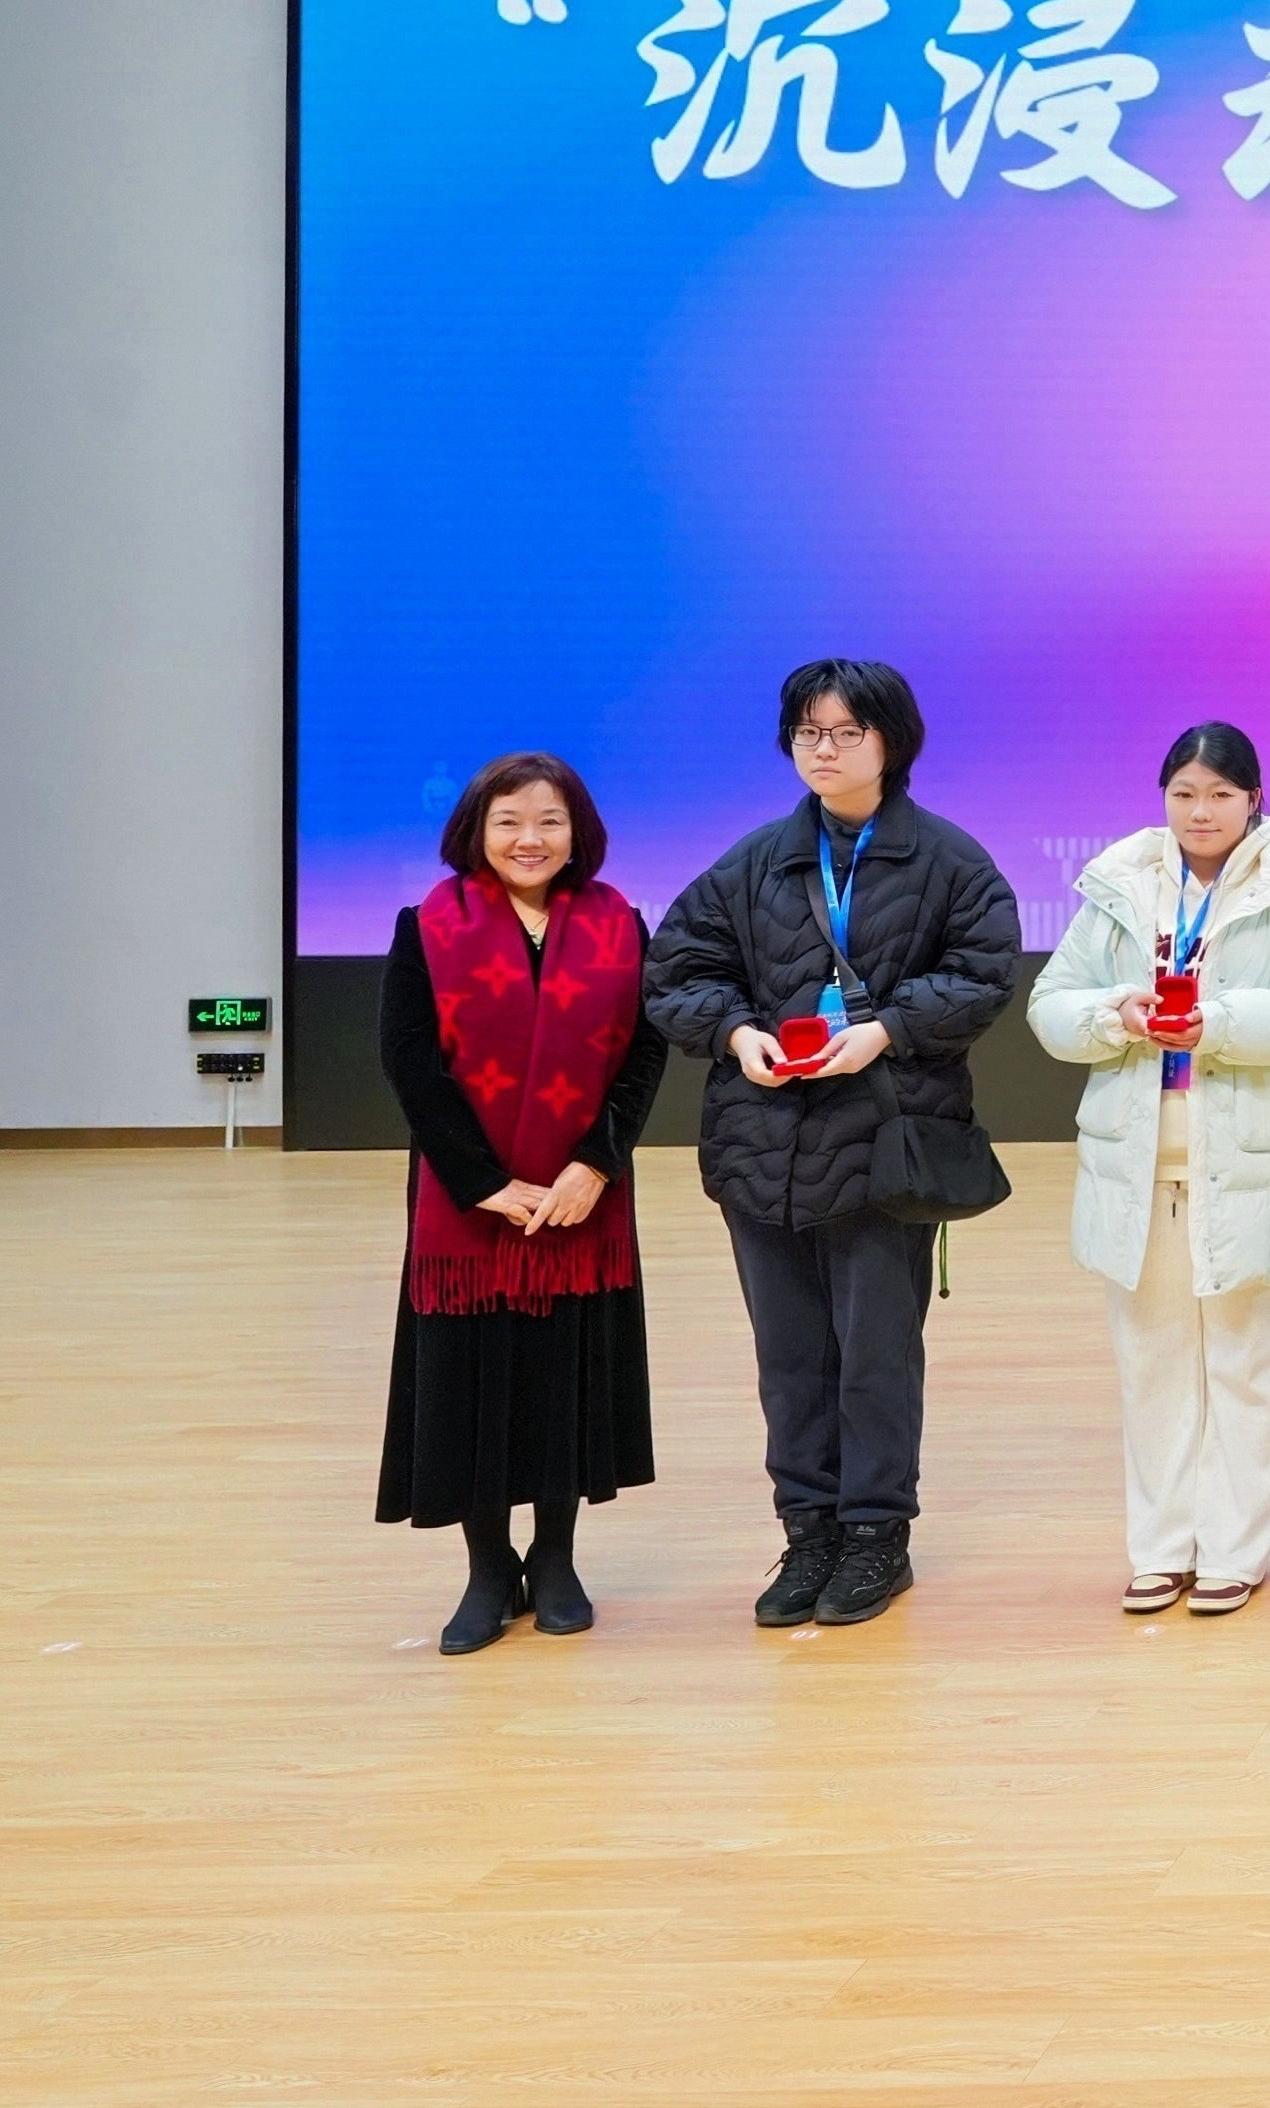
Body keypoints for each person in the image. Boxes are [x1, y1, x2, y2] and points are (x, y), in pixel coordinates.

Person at [644, 658, 1022, 1631]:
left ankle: (875, 1536)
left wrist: (887, 1028)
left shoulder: (949, 861)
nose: (824, 748)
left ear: (891, 741)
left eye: (847, 731)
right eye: (808, 732)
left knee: (875, 1357)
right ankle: (807, 1531)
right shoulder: (755, 861)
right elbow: (675, 971)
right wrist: (738, 1034)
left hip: (882, 1147)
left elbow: (985, 975)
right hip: (762, 1146)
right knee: (789, 1359)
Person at [1029, 722, 1270, 1617]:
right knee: (1151, 1361)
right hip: (1136, 1164)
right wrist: (1115, 1013)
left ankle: (1234, 1549)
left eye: (1220, 793)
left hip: (1251, 1163)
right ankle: (1159, 1547)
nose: (1201, 810)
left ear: (1254, 799)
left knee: (1247, 1360)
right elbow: (1050, 1005)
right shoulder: (1119, 888)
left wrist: (1220, 1022)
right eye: (1184, 792)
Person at [374, 754, 668, 1655]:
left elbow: (643, 1053)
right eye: (508, 820)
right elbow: (410, 1063)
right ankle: (488, 1567)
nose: (528, 838)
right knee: (472, 1380)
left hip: (582, 1201)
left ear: (578, 832)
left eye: (549, 820)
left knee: (560, 1378)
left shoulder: (620, 924)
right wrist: (485, 1183)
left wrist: (595, 1165)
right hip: (469, 1208)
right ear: (476, 828)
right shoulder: (427, 924)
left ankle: (556, 1557)